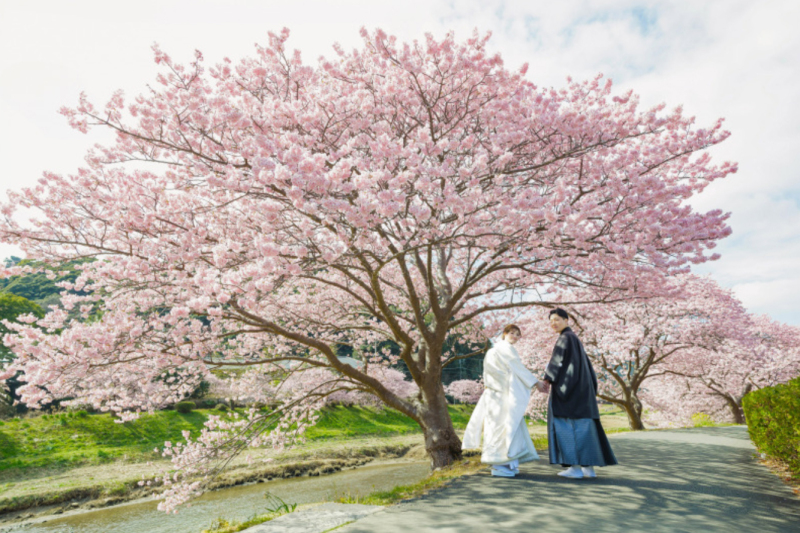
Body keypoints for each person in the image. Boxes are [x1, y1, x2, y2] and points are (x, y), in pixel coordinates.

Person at [462, 324, 546, 477]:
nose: (514, 336)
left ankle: (508, 463)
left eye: (517, 334)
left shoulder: (493, 350)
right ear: (504, 333)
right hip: (501, 395)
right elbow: (517, 367)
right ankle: (498, 465)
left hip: (494, 394)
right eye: (512, 333)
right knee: (503, 427)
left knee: (499, 427)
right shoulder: (505, 348)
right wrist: (536, 382)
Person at [543, 308, 617, 478]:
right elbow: (588, 369)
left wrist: (547, 379)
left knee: (566, 428)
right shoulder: (574, 339)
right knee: (585, 429)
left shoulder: (564, 338)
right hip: (583, 392)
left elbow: (557, 362)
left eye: (557, 319)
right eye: (551, 321)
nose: (554, 323)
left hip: (569, 393)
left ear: (567, 320)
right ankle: (589, 469)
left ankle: (575, 468)